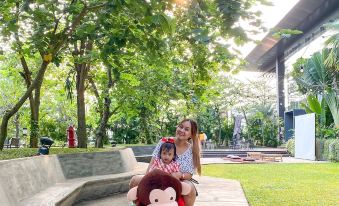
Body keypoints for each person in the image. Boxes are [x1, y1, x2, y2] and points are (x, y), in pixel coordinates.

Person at [129, 119, 201, 206]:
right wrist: (146, 178)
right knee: (134, 180)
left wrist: (180, 175)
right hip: (157, 178)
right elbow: (152, 162)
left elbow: (189, 174)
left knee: (190, 188)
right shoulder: (164, 141)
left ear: (191, 134)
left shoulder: (192, 150)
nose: (182, 130)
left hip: (177, 181)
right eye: (180, 127)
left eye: (186, 129)